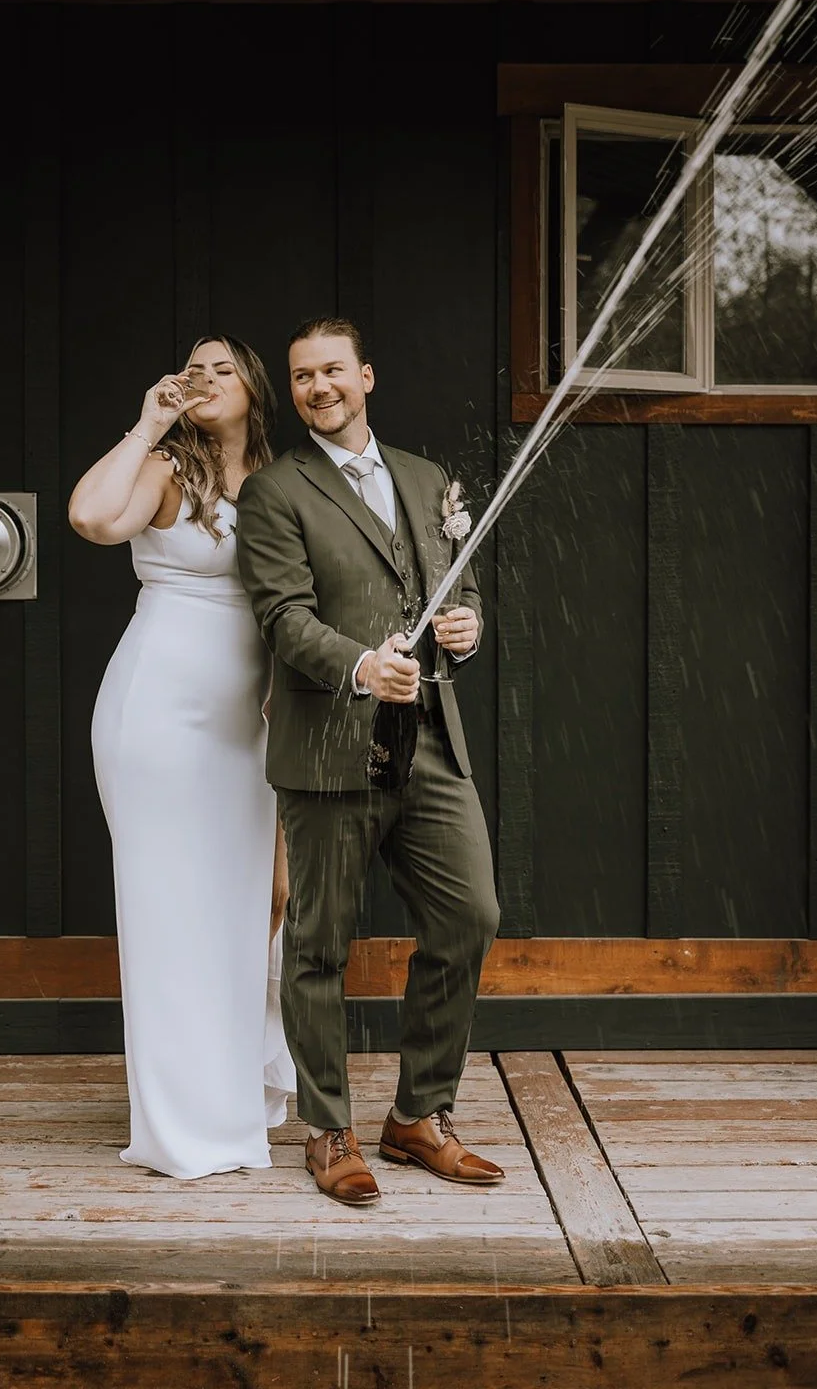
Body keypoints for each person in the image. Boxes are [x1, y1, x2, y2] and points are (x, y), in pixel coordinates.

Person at [236, 317, 503, 1206]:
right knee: (319, 943)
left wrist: (464, 629)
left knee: (468, 914)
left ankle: (418, 1116)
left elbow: (452, 592)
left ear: (367, 377)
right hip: (327, 747)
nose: (319, 386)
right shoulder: (276, 492)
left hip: (427, 740)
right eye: (303, 375)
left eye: (333, 371)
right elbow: (282, 615)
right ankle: (328, 1129)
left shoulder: (427, 480)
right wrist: (358, 665)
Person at [68, 336, 295, 1179]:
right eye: (190, 368)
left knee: (258, 899)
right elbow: (93, 518)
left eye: (221, 369)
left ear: (252, 390)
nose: (202, 379)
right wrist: (144, 424)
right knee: (170, 909)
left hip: (252, 719)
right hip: (158, 709)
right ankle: (181, 1126)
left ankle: (233, 1092)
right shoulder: (168, 469)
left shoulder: (281, 480)